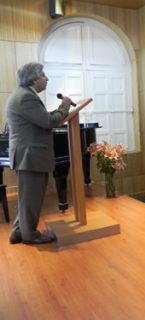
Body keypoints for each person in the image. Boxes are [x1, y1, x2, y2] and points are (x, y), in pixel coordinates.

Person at [6, 62, 72, 245]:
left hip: (28, 155)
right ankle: (30, 235)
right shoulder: (26, 97)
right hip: (30, 156)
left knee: (28, 197)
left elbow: (41, 118)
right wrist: (64, 107)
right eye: (43, 75)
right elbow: (49, 122)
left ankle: (19, 231)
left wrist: (59, 110)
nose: (46, 78)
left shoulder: (23, 95)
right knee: (31, 198)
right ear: (34, 79)